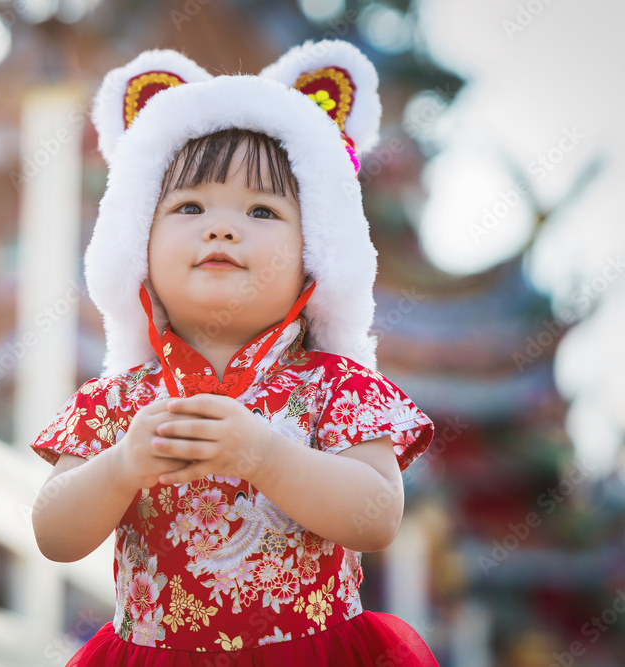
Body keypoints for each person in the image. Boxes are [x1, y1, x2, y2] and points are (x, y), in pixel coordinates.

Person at [29, 39, 441, 666]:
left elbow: (377, 515)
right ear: (138, 241)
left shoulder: (337, 387)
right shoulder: (117, 402)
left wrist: (264, 455)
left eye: (261, 210)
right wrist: (121, 466)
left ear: (316, 250)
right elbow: (54, 535)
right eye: (189, 206)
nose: (221, 228)